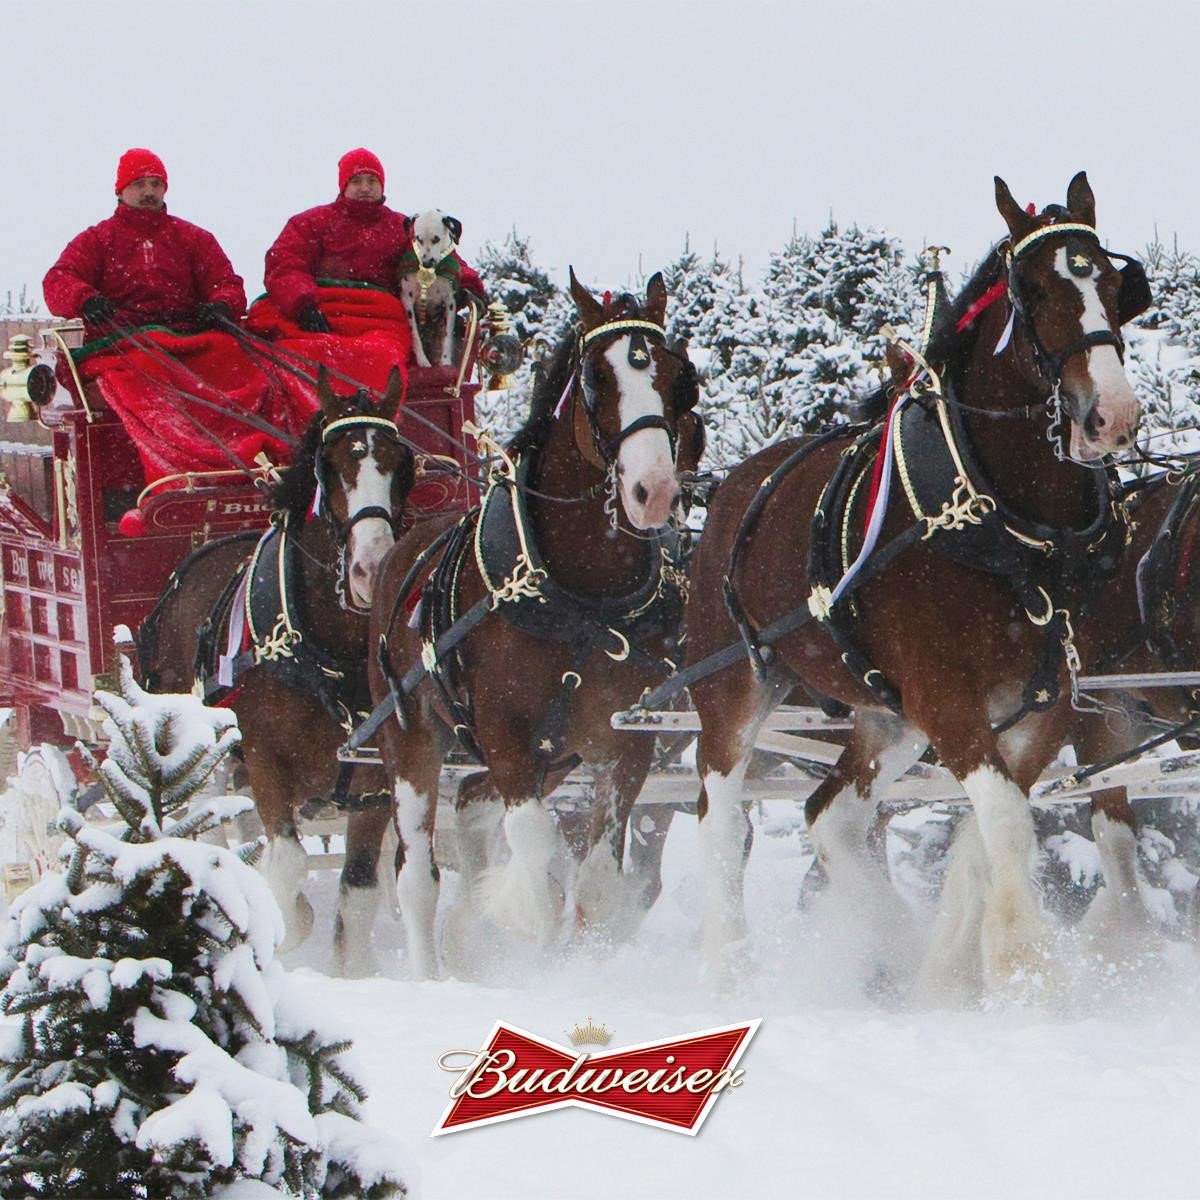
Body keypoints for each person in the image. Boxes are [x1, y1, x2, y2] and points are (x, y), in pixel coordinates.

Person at [262, 148, 484, 331]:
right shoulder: (310, 223)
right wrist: (303, 305)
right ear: (344, 186)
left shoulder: (402, 227)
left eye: (372, 180)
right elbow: (285, 264)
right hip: (321, 314)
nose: (365, 188)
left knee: (380, 357)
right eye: (356, 181)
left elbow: (441, 256)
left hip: (380, 317)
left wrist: (467, 285)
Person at [43, 148, 246, 341]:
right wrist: (85, 300)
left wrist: (223, 305)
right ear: (120, 191)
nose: (149, 192)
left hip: (189, 340)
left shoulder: (195, 239)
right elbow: (58, 280)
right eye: (139, 184)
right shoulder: (96, 240)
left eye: (156, 184)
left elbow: (226, 283)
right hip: (120, 345)